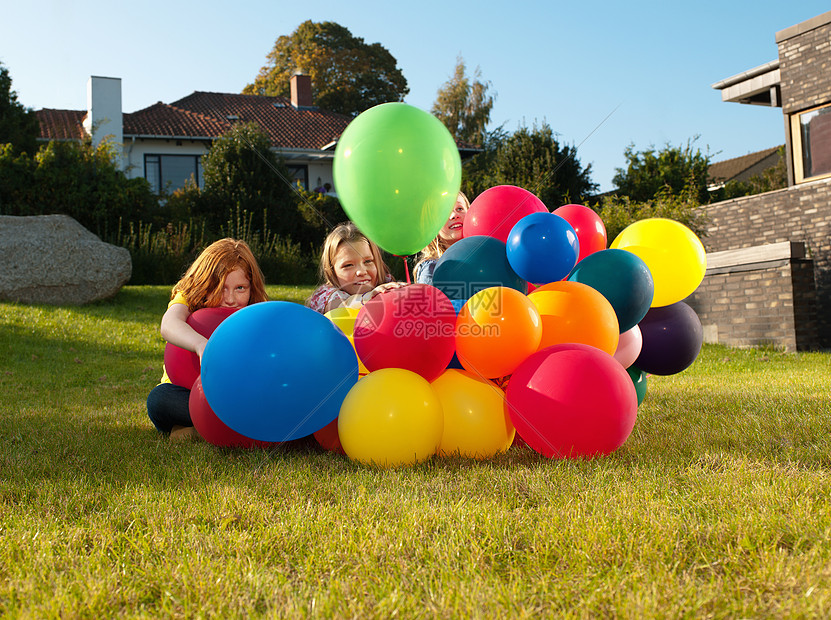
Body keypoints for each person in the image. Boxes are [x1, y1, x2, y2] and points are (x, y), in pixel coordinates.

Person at [146, 238, 268, 440]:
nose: (230, 299)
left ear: (251, 288)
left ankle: (202, 429)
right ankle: (225, 427)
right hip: (185, 393)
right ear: (204, 284)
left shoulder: (254, 310)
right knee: (159, 399)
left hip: (235, 395)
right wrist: (201, 345)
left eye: (240, 288)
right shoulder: (187, 297)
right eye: (221, 287)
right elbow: (169, 324)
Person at [306, 222, 404, 313]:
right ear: (332, 271)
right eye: (348, 265)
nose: (361, 272)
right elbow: (347, 304)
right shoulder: (328, 296)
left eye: (368, 261)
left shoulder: (386, 285)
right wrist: (368, 297)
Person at [413, 191, 470, 285]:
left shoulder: (484, 253)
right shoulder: (432, 269)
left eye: (459, 209)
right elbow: (428, 298)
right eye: (445, 212)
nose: (454, 215)